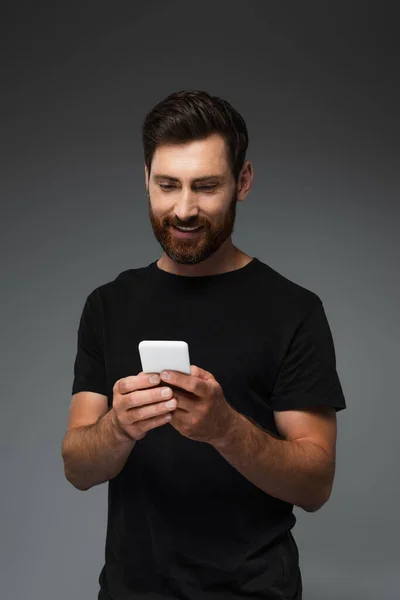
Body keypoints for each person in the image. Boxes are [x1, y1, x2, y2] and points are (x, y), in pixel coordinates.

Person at [62, 90, 346, 600]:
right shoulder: (107, 305)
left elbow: (316, 485)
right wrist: (118, 427)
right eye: (168, 185)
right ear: (145, 179)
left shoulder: (294, 311)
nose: (185, 209)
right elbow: (78, 467)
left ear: (243, 182)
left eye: (207, 186)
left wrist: (226, 430)